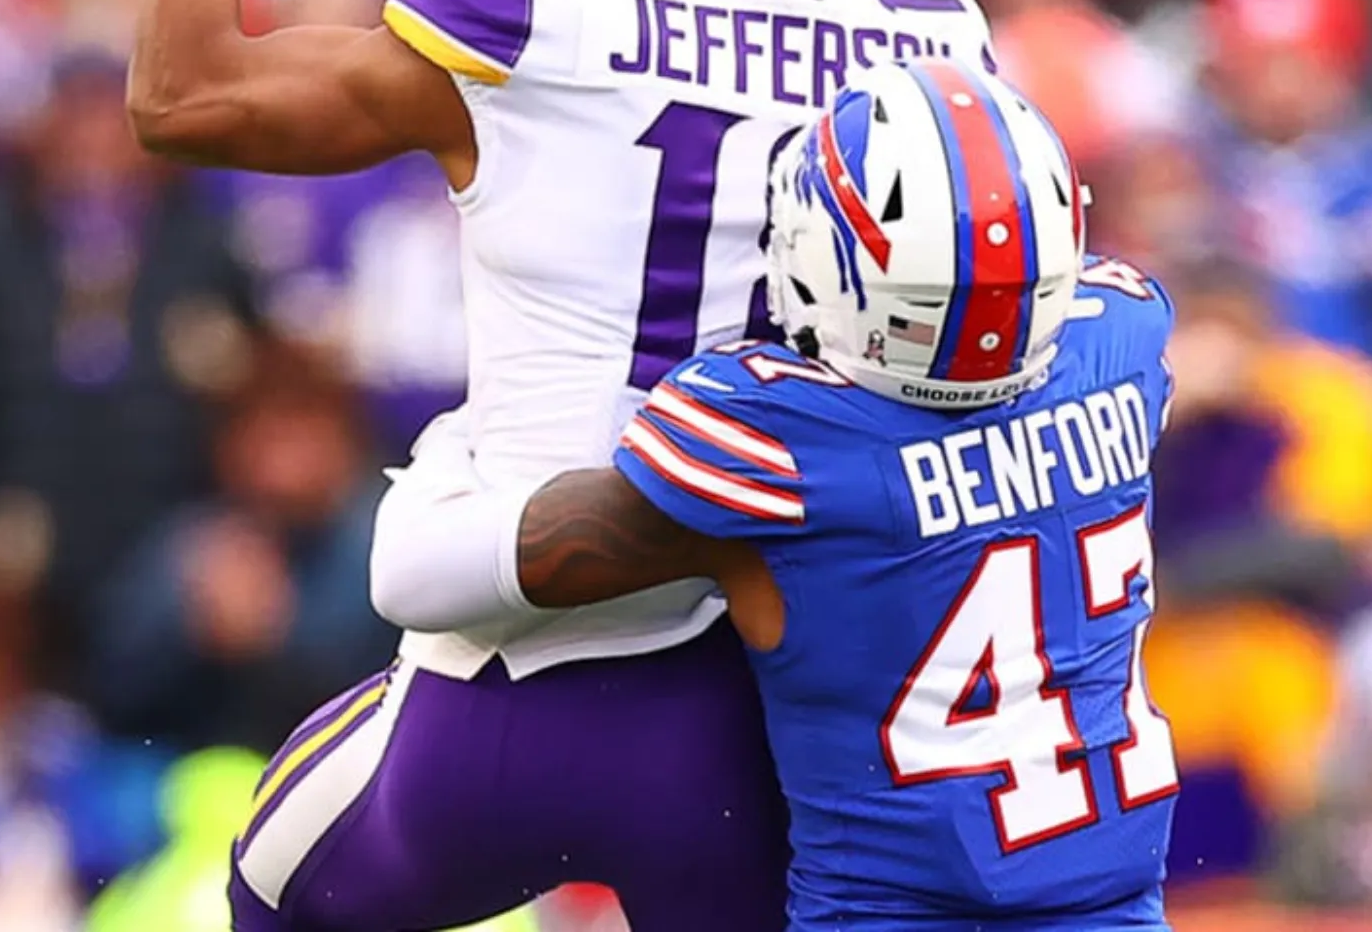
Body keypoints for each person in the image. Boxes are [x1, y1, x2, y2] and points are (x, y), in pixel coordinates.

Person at [127, 0, 1000, 932]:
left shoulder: (521, 6)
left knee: (270, 888)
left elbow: (181, 95)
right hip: (752, 708)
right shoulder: (936, 45)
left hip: (499, 688)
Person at [413, 59, 1182, 930]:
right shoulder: (1124, 338)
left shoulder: (778, 436)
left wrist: (446, 452)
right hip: (1120, 902)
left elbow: (491, 569)